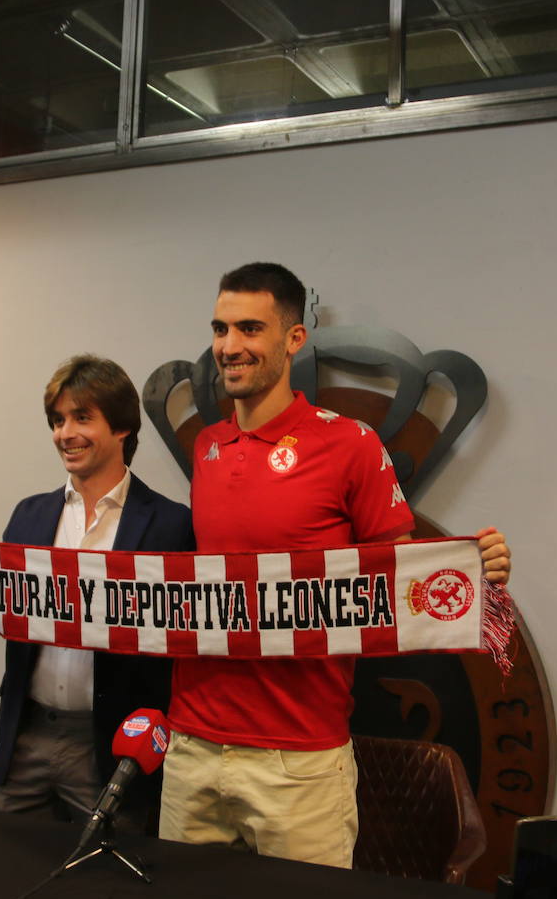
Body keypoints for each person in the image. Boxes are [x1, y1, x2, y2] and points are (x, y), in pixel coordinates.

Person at [159, 262, 512, 868]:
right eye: (220, 329)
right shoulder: (207, 446)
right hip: (193, 747)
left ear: (294, 339)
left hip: (299, 761)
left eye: (249, 328)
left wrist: (471, 571)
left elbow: (400, 578)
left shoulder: (350, 444)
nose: (230, 346)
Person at [0, 355, 194, 829]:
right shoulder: (29, 516)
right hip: (26, 733)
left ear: (122, 428)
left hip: (113, 746)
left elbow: (187, 636)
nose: (64, 433)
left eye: (82, 417)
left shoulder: (171, 524)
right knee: (4, 868)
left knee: (105, 884)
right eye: (57, 420)